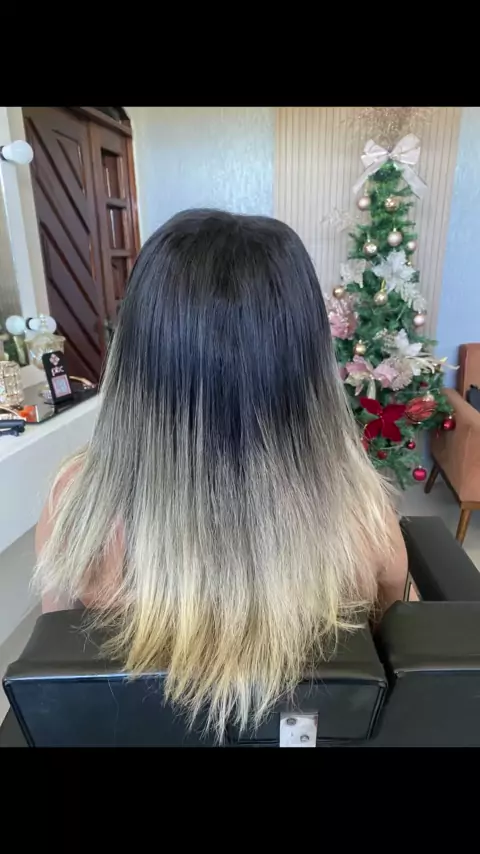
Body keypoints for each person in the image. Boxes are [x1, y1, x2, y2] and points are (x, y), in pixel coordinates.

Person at [35, 209, 408, 738]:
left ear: (136, 354)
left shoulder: (75, 503)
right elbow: (404, 647)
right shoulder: (360, 511)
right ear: (306, 360)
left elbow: (57, 666)